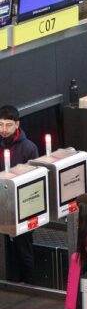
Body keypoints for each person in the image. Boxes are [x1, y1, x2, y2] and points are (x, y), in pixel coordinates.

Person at [0, 105, 39, 283]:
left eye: (8, 125)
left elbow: (34, 181)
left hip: (21, 207)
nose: (3, 129)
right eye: (0, 125)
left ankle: (29, 283)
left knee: (24, 249)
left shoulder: (28, 148)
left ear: (17, 124)